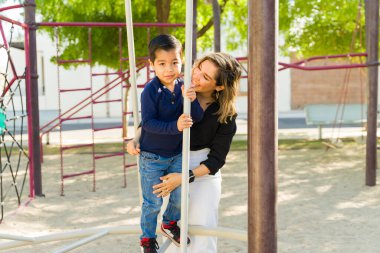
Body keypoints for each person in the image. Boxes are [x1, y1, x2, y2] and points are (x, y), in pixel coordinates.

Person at [127, 52, 242, 253]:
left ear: (219, 86)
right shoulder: (176, 90)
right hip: (170, 162)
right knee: (172, 234)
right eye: (198, 68)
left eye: (206, 77)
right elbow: (150, 121)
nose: (196, 76)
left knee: (202, 235)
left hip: (202, 173)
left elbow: (216, 160)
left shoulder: (226, 114)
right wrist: (135, 139)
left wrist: (184, 177)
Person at [138, 34, 204, 253]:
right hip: (152, 156)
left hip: (176, 153)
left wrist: (192, 101)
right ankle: (147, 238)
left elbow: (196, 119)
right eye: (162, 64)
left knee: (179, 195)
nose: (169, 69)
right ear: (152, 65)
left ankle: (169, 223)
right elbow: (148, 123)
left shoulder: (184, 86)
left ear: (182, 60)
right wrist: (174, 126)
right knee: (153, 202)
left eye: (175, 62)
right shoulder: (150, 90)